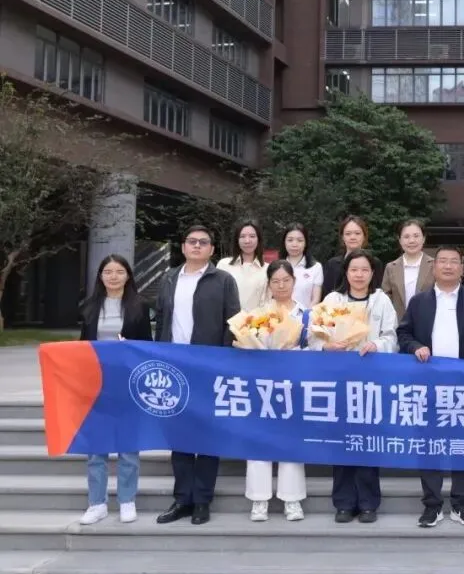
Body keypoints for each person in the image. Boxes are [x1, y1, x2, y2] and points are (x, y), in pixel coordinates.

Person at [397, 246, 464, 528]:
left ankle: (462, 503)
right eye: (443, 261)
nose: (448, 266)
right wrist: (415, 347)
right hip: (428, 386)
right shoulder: (419, 302)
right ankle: (432, 505)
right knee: (429, 445)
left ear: (462, 268)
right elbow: (404, 333)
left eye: (454, 262)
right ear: (434, 267)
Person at [155, 225, 241, 526]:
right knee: (178, 434)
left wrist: (222, 361)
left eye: (203, 242)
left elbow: (233, 323)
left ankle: (202, 499)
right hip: (174, 365)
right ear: (183, 247)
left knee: (206, 434)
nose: (196, 246)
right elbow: (161, 319)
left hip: (208, 366)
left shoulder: (223, 280)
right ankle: (182, 498)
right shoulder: (169, 278)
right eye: (191, 241)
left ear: (212, 249)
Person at [319, 249, 399, 523]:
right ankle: (343, 503)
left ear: (372, 273)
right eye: (354, 269)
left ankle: (368, 503)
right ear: (346, 272)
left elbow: (392, 336)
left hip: (370, 381)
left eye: (365, 270)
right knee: (342, 440)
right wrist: (326, 346)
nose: (359, 275)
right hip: (339, 381)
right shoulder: (333, 300)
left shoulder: (381, 300)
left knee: (366, 441)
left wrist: (377, 344)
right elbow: (315, 335)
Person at [77, 254, 153, 525]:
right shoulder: (89, 306)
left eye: (119, 271)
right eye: (108, 272)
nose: (113, 276)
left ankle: (127, 500)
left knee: (127, 445)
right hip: (96, 383)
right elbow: (82, 346)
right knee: (96, 446)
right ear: (100, 276)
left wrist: (129, 348)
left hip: (128, 382)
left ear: (128, 275)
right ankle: (96, 503)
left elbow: (147, 347)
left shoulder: (139, 306)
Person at [245, 260, 309, 523]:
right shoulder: (258, 314)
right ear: (269, 284)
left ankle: (292, 499)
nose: (281, 286)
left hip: (294, 385)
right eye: (276, 281)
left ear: (294, 281)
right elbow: (247, 346)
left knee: (291, 441)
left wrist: (295, 353)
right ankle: (259, 499)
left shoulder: (307, 314)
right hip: (263, 385)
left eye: (286, 280)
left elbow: (316, 348)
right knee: (258, 439)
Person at [382, 219, 435, 319]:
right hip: (398, 323)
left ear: (423, 239)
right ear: (400, 240)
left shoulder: (435, 265)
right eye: (406, 237)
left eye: (416, 236)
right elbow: (385, 298)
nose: (411, 241)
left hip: (428, 322)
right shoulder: (391, 267)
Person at [324, 216, 384, 302]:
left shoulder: (375, 263)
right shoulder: (332, 264)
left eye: (357, 233)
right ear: (342, 237)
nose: (352, 237)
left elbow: (377, 292)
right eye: (348, 234)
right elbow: (327, 293)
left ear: (364, 236)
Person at [215, 220, 268, 311]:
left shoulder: (267, 269)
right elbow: (216, 297)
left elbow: (267, 302)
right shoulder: (224, 265)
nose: (247, 241)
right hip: (228, 319)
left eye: (252, 236)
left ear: (258, 239)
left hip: (256, 319)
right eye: (242, 236)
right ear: (237, 240)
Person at [281, 223, 323, 309]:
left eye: (300, 240)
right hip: (280, 315)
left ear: (305, 243)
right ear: (284, 242)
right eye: (290, 240)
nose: (294, 244)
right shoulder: (277, 267)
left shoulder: (316, 267)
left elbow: (315, 299)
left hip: (305, 315)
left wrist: (305, 314)